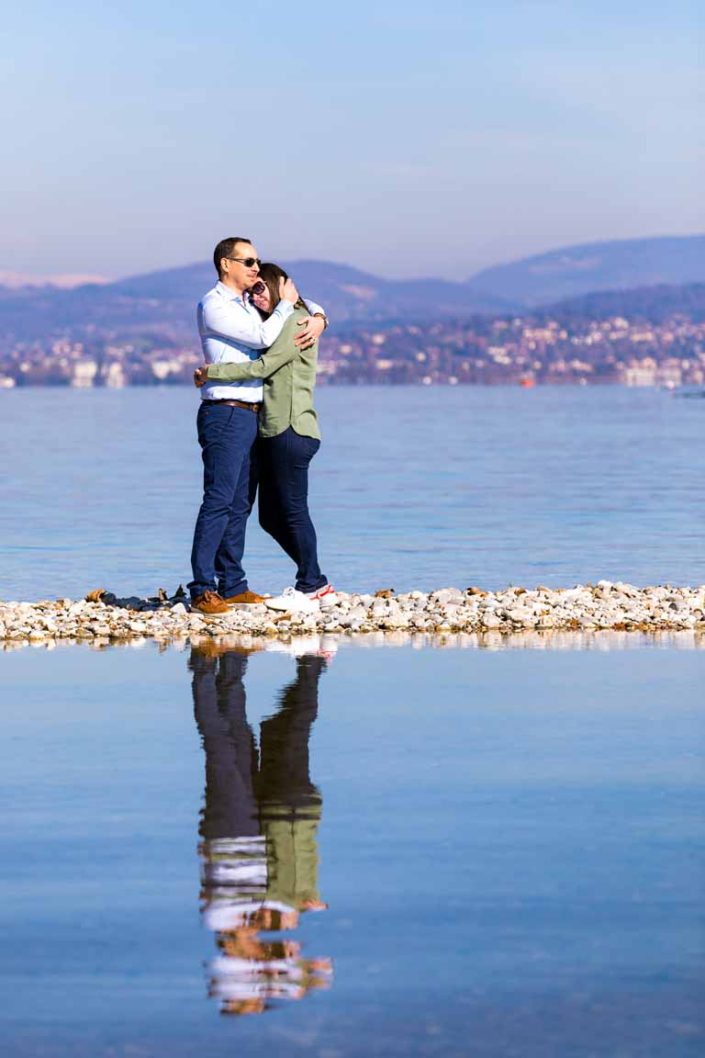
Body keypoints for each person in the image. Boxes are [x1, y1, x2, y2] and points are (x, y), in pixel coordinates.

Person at [188, 238, 328, 615]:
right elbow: (266, 339)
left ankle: (232, 585)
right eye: (247, 261)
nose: (254, 267)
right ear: (224, 264)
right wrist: (291, 307)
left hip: (252, 415)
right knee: (218, 500)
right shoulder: (215, 306)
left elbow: (294, 311)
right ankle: (202, 588)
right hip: (225, 411)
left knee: (240, 505)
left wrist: (318, 316)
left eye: (258, 263)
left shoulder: (250, 305)